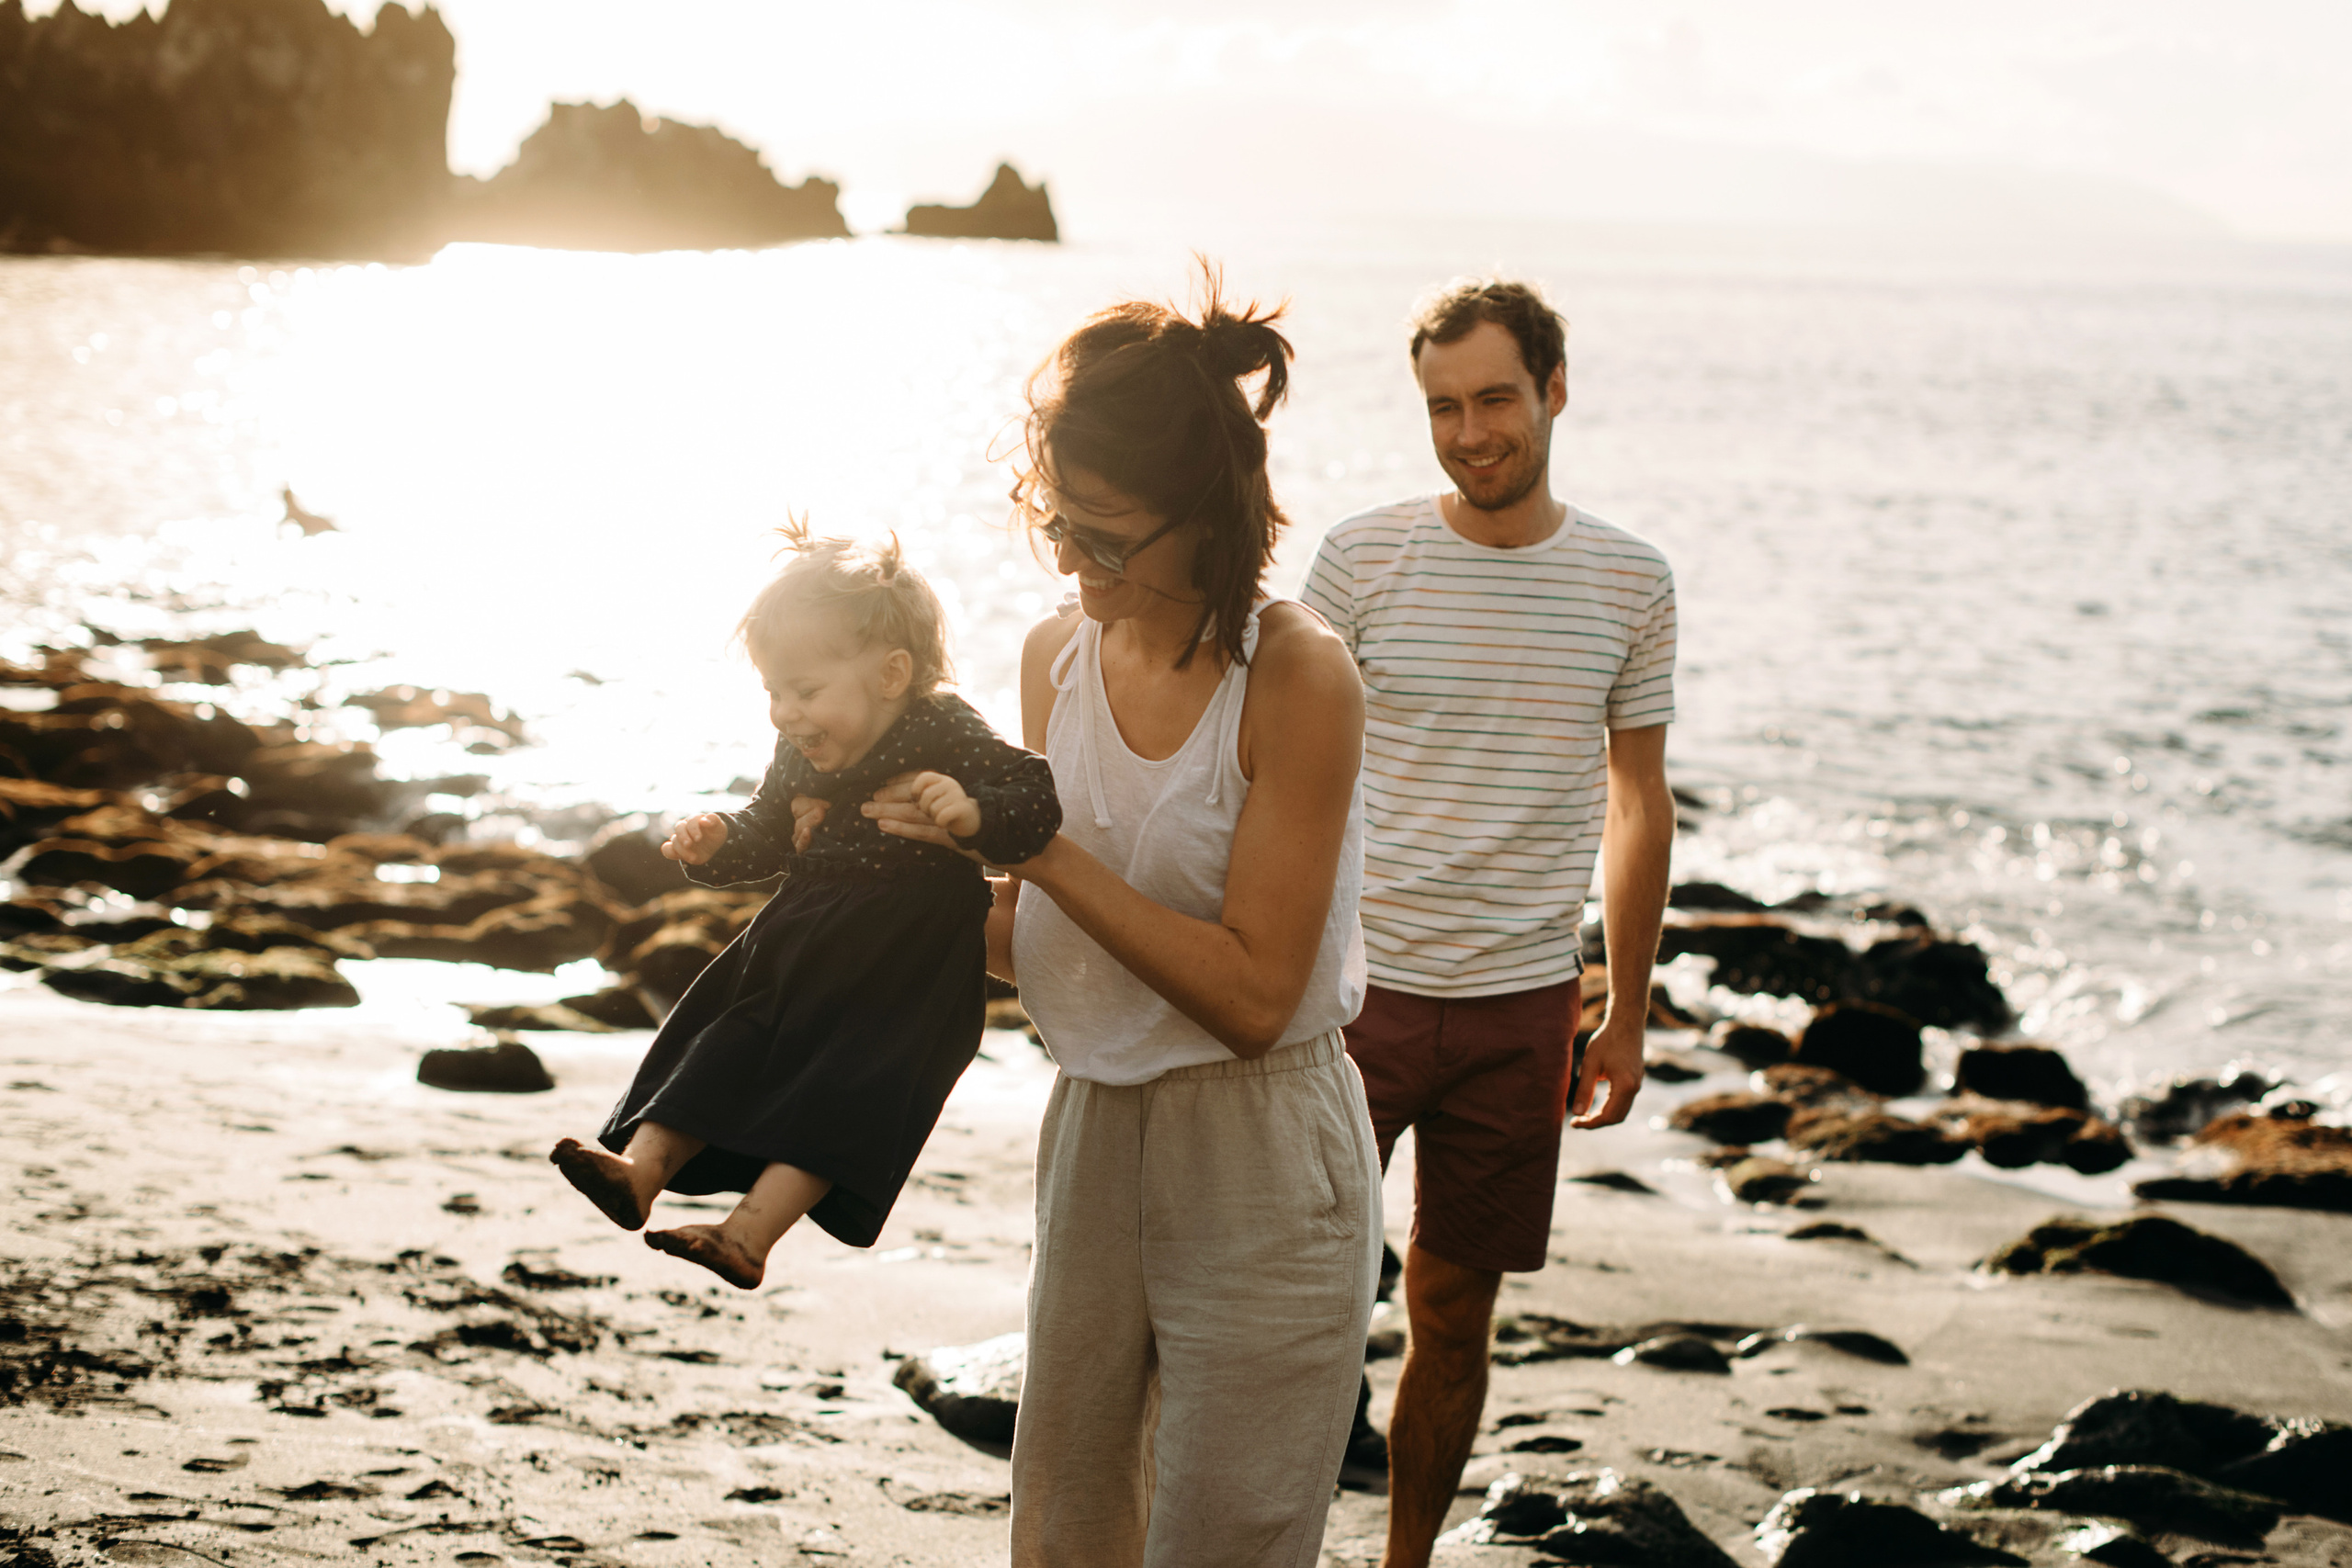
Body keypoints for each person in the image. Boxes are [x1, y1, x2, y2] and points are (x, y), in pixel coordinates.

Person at [865, 274, 1381, 1567]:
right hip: (1092, 1125)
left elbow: (1258, 993)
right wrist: (870, 886)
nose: (1075, 563)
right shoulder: (1056, 656)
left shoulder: (1301, 675)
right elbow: (1049, 926)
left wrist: (1034, 850)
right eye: (1057, 525)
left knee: (1229, 1542)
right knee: (1066, 1528)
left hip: (1263, 1147)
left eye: (1105, 534)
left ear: (1206, 514)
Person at [1300, 276, 1677, 1568]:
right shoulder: (1361, 559)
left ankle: (1403, 1558)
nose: (1471, 432)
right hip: (1351, 996)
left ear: (1554, 389)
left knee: (1452, 1310)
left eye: (1496, 398)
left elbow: (1638, 801)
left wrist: (1621, 1010)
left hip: (1524, 1007)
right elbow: (1276, 771)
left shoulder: (1631, 582)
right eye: (1443, 407)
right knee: (1299, 1293)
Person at [548, 523, 1060, 1290]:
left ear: (892, 674)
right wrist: (719, 843)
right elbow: (770, 835)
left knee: (844, 1095)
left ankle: (749, 1235)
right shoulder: (802, 748)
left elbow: (1035, 793)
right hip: (800, 936)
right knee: (720, 1045)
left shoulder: (945, 728)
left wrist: (971, 814)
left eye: (806, 690)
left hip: (907, 962)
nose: (785, 713)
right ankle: (638, 1173)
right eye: (773, 692)